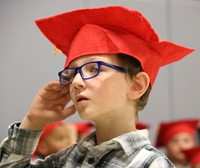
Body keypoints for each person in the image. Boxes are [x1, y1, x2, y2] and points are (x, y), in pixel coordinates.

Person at [0, 6, 195, 167]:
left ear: (137, 85)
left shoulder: (149, 164)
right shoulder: (68, 159)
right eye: (72, 72)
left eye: (94, 68)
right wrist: (32, 123)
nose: (75, 82)